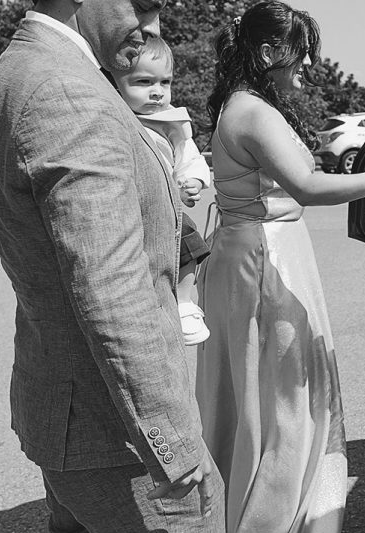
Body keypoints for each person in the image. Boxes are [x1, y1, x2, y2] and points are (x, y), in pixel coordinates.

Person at [0, 1, 226, 533]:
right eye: (144, 4)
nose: (153, 22)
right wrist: (170, 441)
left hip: (82, 413)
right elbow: (110, 289)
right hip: (116, 432)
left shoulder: (34, 67)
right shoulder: (65, 91)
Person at [195, 2, 365, 533]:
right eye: (300, 54)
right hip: (265, 261)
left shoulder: (241, 105)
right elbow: (306, 186)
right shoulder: (254, 112)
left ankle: (245, 524)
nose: (308, 66)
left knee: (256, 397)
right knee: (286, 403)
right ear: (270, 52)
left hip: (251, 252)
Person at [112, 36, 212, 346]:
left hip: (167, 204)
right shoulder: (115, 117)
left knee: (189, 245)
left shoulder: (171, 122)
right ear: (115, 82)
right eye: (143, 82)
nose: (157, 91)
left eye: (164, 82)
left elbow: (189, 158)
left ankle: (184, 302)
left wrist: (192, 181)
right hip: (129, 206)